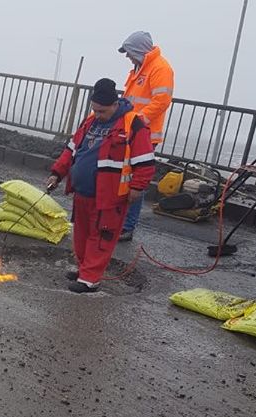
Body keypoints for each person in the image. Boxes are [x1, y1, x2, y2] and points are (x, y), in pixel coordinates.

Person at [47, 78, 155, 294]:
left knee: (101, 237)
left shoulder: (133, 125)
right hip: (83, 193)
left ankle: (90, 279)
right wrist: (57, 173)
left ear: (115, 105)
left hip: (109, 196)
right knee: (81, 234)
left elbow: (145, 161)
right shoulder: (90, 122)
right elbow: (71, 150)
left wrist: (137, 187)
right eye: (94, 110)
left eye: (102, 111)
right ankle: (83, 269)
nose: (97, 115)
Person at [117, 31, 174, 241]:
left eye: (129, 52)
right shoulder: (140, 68)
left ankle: (127, 226)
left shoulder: (160, 68)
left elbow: (161, 101)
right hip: (132, 131)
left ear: (139, 50)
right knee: (124, 177)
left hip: (144, 134)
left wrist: (138, 122)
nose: (127, 57)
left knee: (135, 180)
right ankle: (120, 222)